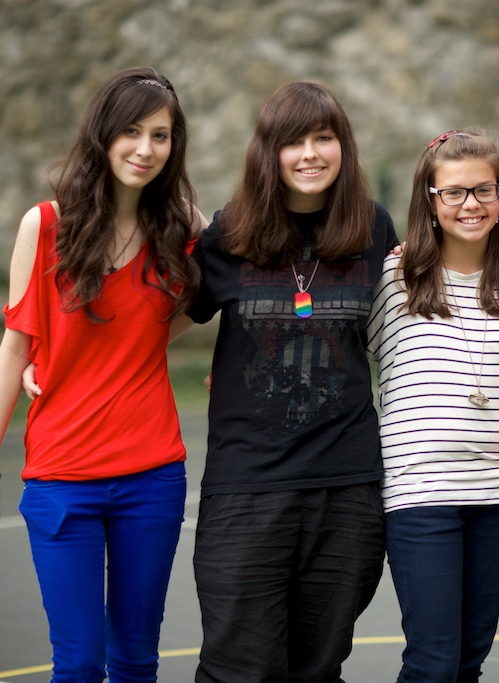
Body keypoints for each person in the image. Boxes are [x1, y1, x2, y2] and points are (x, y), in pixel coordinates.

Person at [0, 67, 204, 683]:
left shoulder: (180, 230)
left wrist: (134, 349)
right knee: (76, 664)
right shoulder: (45, 225)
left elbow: (189, 312)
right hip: (61, 477)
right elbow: (15, 347)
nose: (145, 148)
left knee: (135, 662)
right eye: (131, 131)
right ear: (103, 134)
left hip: (152, 476)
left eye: (160, 135)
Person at [187, 81, 397, 683]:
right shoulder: (229, 235)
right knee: (238, 669)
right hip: (247, 487)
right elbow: (154, 317)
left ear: (342, 146)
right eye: (293, 141)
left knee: (318, 668)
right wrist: (48, 356)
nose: (310, 154)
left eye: (323, 138)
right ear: (268, 152)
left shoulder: (372, 229)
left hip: (347, 486)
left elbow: (444, 278)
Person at [367, 130, 499, 683]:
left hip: (497, 491)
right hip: (419, 491)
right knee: (433, 661)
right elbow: (331, 342)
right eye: (454, 192)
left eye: (484, 190)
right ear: (430, 200)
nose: (471, 204)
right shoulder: (395, 278)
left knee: (469, 659)